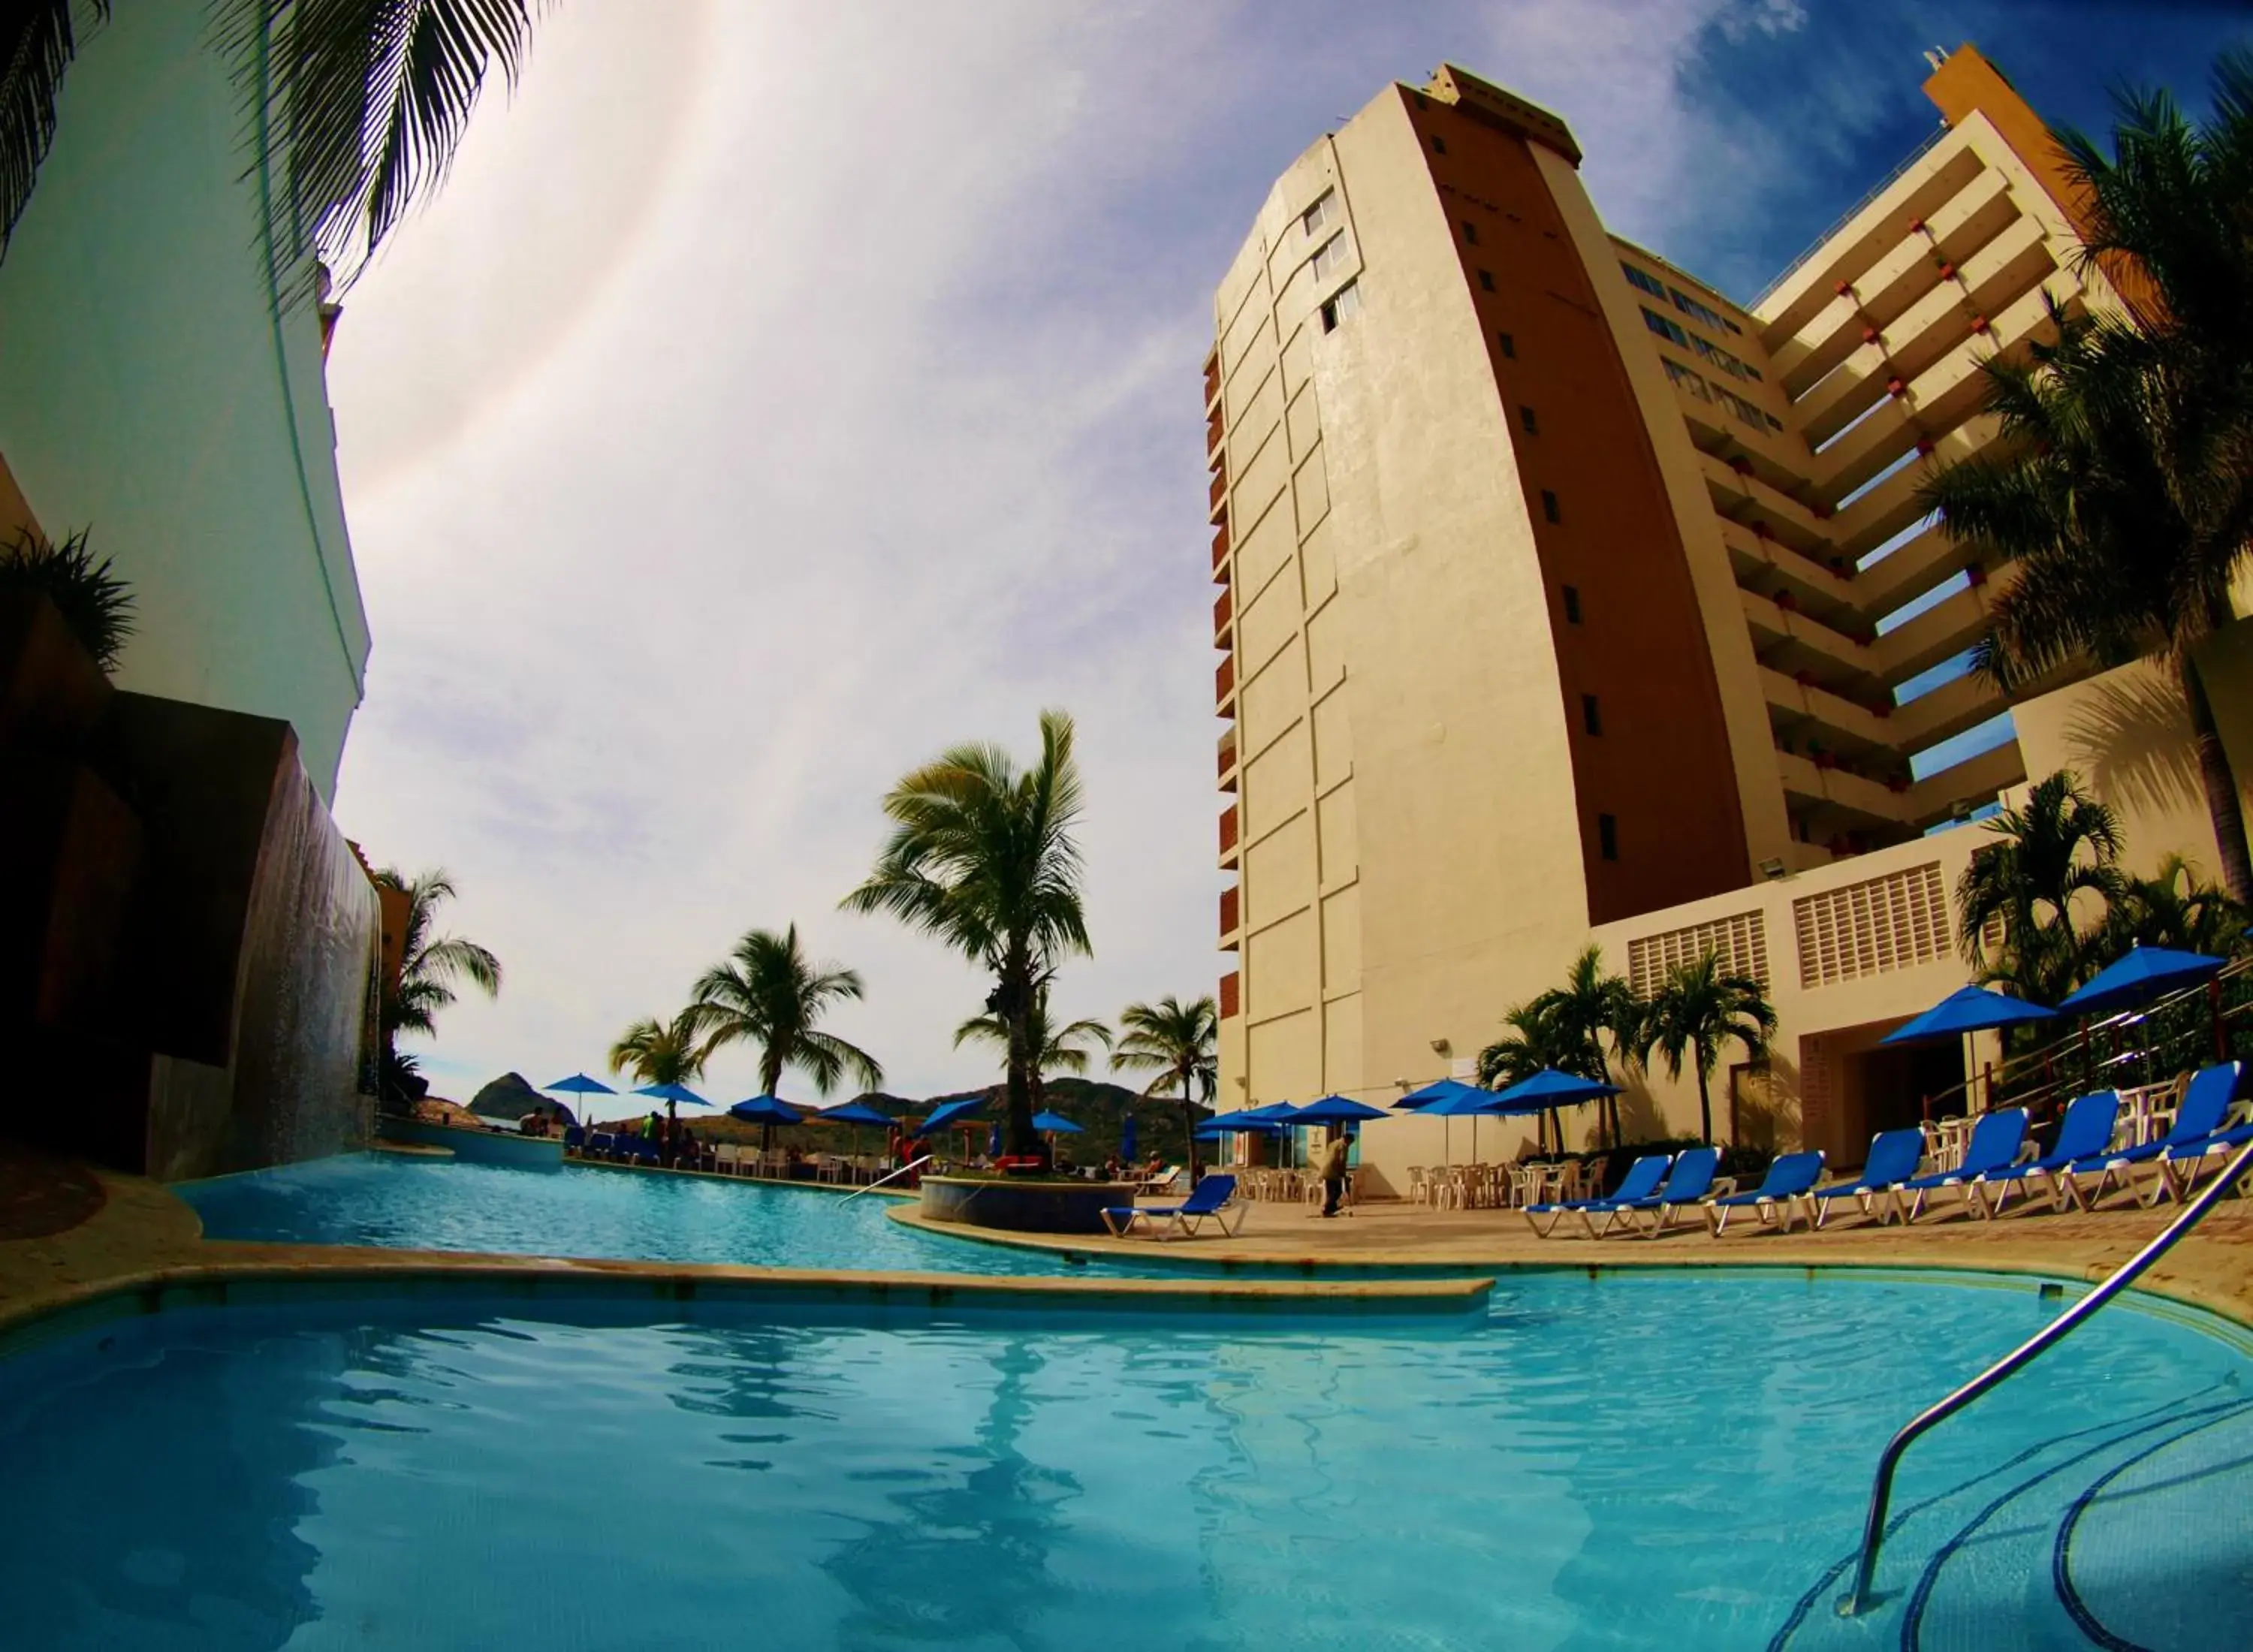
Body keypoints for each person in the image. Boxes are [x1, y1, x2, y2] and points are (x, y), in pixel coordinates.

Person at [1318, 1130, 1352, 1218]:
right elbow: (1342, 1160)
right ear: (1347, 1140)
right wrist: (1343, 1174)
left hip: (1324, 1169)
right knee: (1337, 1190)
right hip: (1331, 1171)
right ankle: (1327, 1209)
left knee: (1331, 1191)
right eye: (1350, 1143)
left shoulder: (1333, 1143)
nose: (1350, 1145)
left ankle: (1329, 1208)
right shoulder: (1343, 1145)